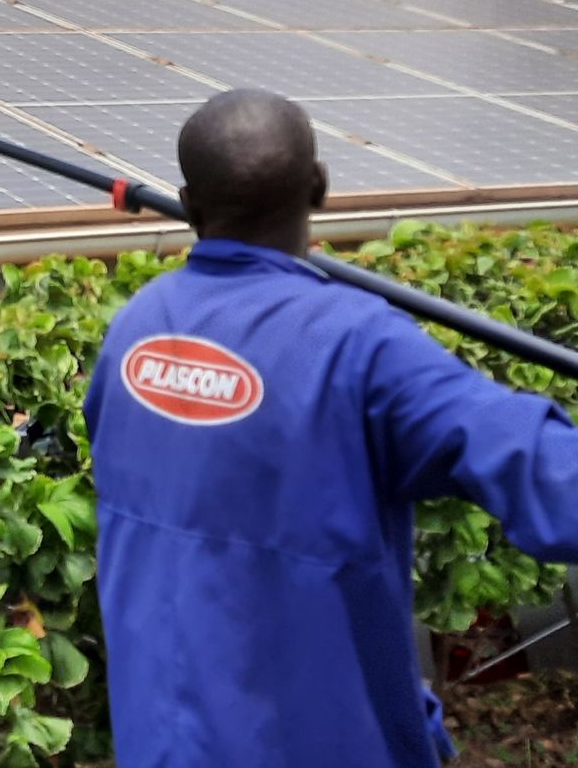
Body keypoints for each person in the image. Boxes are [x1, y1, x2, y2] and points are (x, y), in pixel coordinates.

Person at [83, 88, 578, 767]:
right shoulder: (363, 349)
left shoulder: (135, 330)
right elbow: (548, 477)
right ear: (319, 187)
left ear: (189, 203)